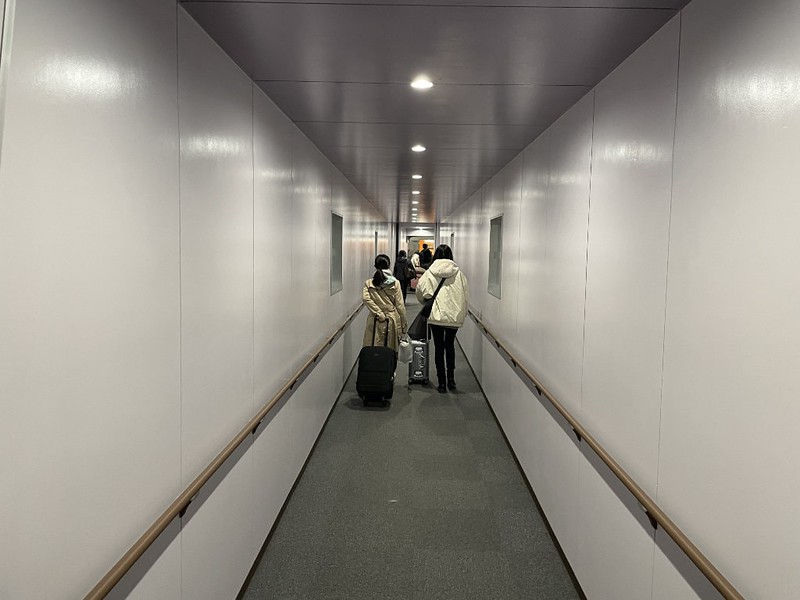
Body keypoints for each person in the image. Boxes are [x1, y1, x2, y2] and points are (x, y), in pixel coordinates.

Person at [415, 244, 468, 394]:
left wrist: (425, 302)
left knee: (439, 348)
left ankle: (442, 383)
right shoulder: (459, 274)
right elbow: (465, 295)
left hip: (436, 315)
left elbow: (420, 291)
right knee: (450, 346)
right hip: (453, 315)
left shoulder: (429, 273)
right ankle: (451, 380)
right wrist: (461, 312)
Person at [363, 254, 407, 352]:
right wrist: (404, 324)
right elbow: (400, 306)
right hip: (391, 319)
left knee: (373, 347)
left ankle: (373, 366)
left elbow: (366, 299)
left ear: (375, 266)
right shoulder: (395, 283)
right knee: (389, 349)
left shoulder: (369, 283)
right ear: (389, 265)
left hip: (374, 319)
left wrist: (378, 313)